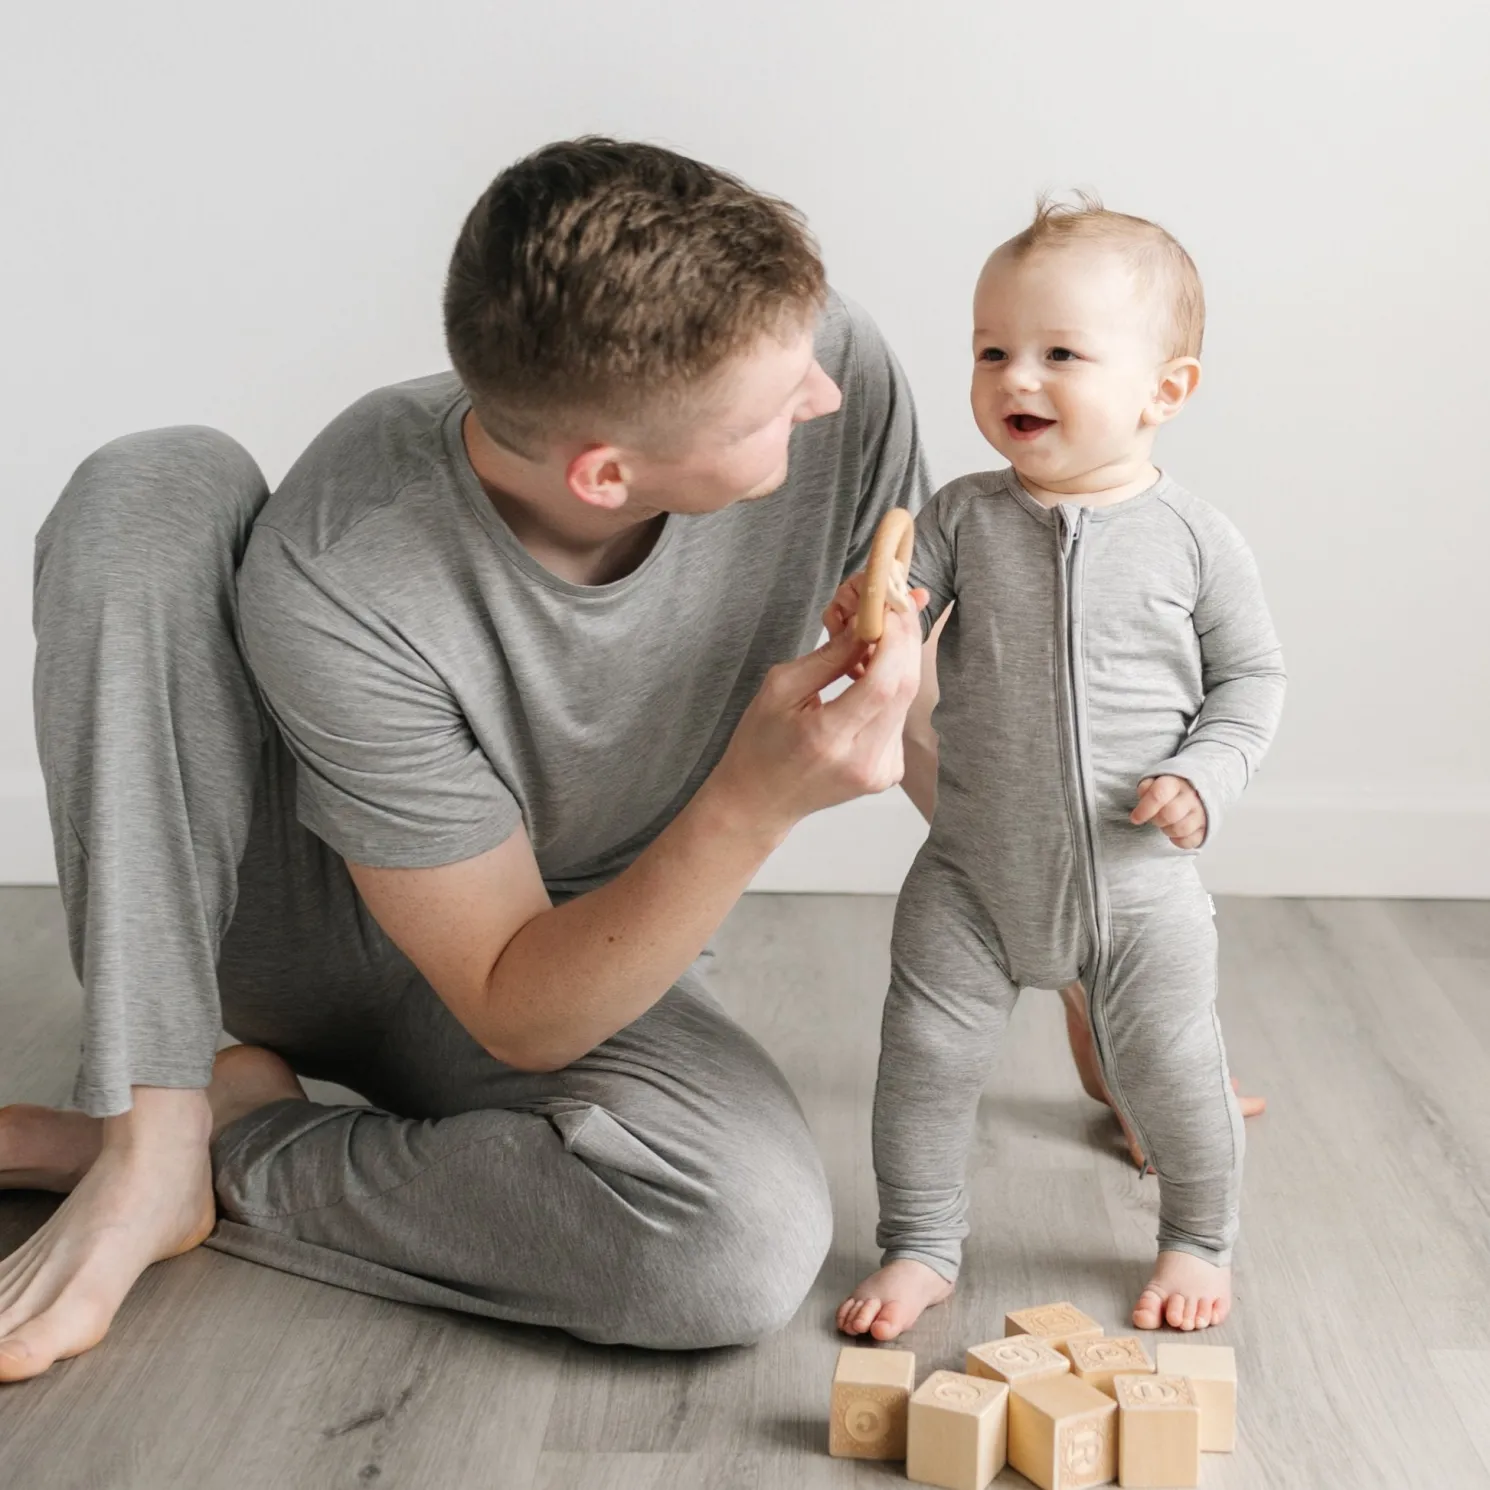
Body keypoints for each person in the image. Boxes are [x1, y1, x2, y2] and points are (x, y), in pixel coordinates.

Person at [832, 197, 1285, 1343]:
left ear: (1162, 390)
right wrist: (873, 616)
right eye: (990, 350)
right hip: (974, 870)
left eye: (1057, 354)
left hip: (1136, 884)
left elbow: (1250, 683)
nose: (1012, 376)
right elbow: (901, 612)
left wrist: (1203, 774)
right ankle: (920, 1240)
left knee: (1176, 1073)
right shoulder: (957, 515)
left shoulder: (1194, 539)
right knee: (923, 1058)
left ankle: (1196, 1231)